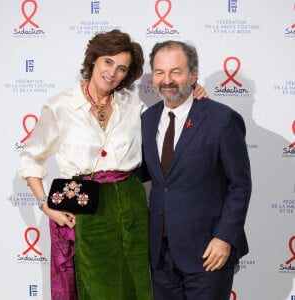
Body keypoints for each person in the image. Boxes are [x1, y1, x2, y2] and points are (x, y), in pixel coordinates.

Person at [18, 30, 207, 300]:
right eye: (108, 62)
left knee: (137, 281)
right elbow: (30, 159)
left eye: (122, 68)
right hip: (83, 202)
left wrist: (190, 94)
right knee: (96, 285)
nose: (113, 73)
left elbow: (166, 124)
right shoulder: (60, 106)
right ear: (93, 59)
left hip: (131, 200)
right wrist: (45, 204)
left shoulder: (131, 103)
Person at [141, 40, 252, 300]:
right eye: (159, 72)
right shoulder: (146, 120)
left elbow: (240, 185)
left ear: (193, 74)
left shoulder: (222, 119)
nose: (167, 80)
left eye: (175, 72)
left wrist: (224, 238)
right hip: (160, 254)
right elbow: (148, 176)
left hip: (208, 251)